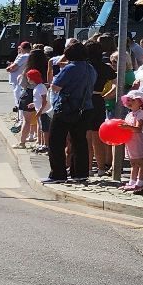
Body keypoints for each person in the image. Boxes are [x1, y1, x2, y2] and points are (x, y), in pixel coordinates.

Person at [44, 42, 98, 184]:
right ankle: (80, 173)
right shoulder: (90, 68)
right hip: (86, 108)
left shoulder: (70, 68)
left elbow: (55, 87)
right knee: (79, 141)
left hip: (66, 108)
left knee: (56, 141)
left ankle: (58, 174)